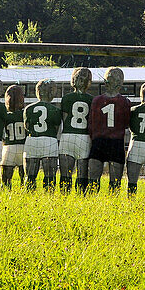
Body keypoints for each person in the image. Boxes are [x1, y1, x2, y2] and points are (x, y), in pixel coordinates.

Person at [88, 67, 131, 194]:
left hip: (99, 141)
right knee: (114, 182)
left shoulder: (97, 100)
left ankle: (92, 204)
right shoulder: (124, 102)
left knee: (94, 180)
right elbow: (126, 123)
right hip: (116, 142)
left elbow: (91, 123)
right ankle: (111, 204)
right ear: (121, 83)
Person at [58, 67, 93, 195]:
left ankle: (64, 196)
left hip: (68, 136)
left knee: (65, 172)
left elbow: (65, 118)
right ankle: (81, 196)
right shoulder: (91, 99)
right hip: (84, 137)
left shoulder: (66, 98)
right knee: (82, 172)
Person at [23, 79, 62, 192]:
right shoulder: (55, 110)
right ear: (51, 92)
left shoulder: (28, 108)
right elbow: (56, 127)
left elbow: (27, 126)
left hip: (32, 141)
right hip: (49, 141)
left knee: (30, 175)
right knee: (50, 176)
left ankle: (29, 195)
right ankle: (48, 196)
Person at [0, 84, 27, 189]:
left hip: (8, 146)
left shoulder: (5, 115)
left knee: (6, 178)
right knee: (24, 174)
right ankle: (23, 192)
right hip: (23, 146)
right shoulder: (24, 114)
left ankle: (6, 193)